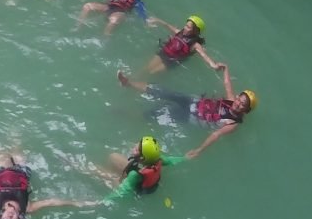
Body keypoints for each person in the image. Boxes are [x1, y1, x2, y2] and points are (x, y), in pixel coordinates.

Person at [117, 65, 258, 158]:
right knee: (165, 92)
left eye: (242, 105)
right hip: (193, 101)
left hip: (190, 116)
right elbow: (227, 84)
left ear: (246, 110)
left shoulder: (233, 123)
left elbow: (216, 134)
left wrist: (199, 150)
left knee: (156, 114)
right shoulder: (232, 99)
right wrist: (225, 68)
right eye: (240, 99)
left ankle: (128, 115)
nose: (238, 104)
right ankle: (128, 83)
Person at [92, 136, 186, 202]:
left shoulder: (134, 175)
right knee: (113, 156)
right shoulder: (157, 159)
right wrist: (185, 157)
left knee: (94, 169)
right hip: (150, 185)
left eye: (136, 150)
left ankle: (111, 174)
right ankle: (112, 172)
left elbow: (121, 192)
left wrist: (97, 202)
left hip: (134, 190)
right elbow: (171, 160)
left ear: (142, 158)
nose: (133, 149)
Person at [139, 14, 218, 74]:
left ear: (195, 31)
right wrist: (157, 20)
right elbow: (167, 25)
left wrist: (213, 64)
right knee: (146, 68)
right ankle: (135, 78)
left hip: (172, 61)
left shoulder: (195, 44)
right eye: (186, 25)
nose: (185, 28)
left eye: (188, 27)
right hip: (164, 52)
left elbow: (204, 55)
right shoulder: (179, 32)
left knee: (153, 73)